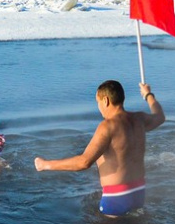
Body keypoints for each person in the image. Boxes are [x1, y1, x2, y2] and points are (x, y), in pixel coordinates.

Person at [35, 80, 165, 216]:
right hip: (139, 192)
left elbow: (84, 162)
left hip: (117, 197)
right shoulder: (139, 119)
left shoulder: (107, 126)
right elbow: (160, 117)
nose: (99, 107)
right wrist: (148, 94)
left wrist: (45, 165)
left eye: (98, 102)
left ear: (106, 100)